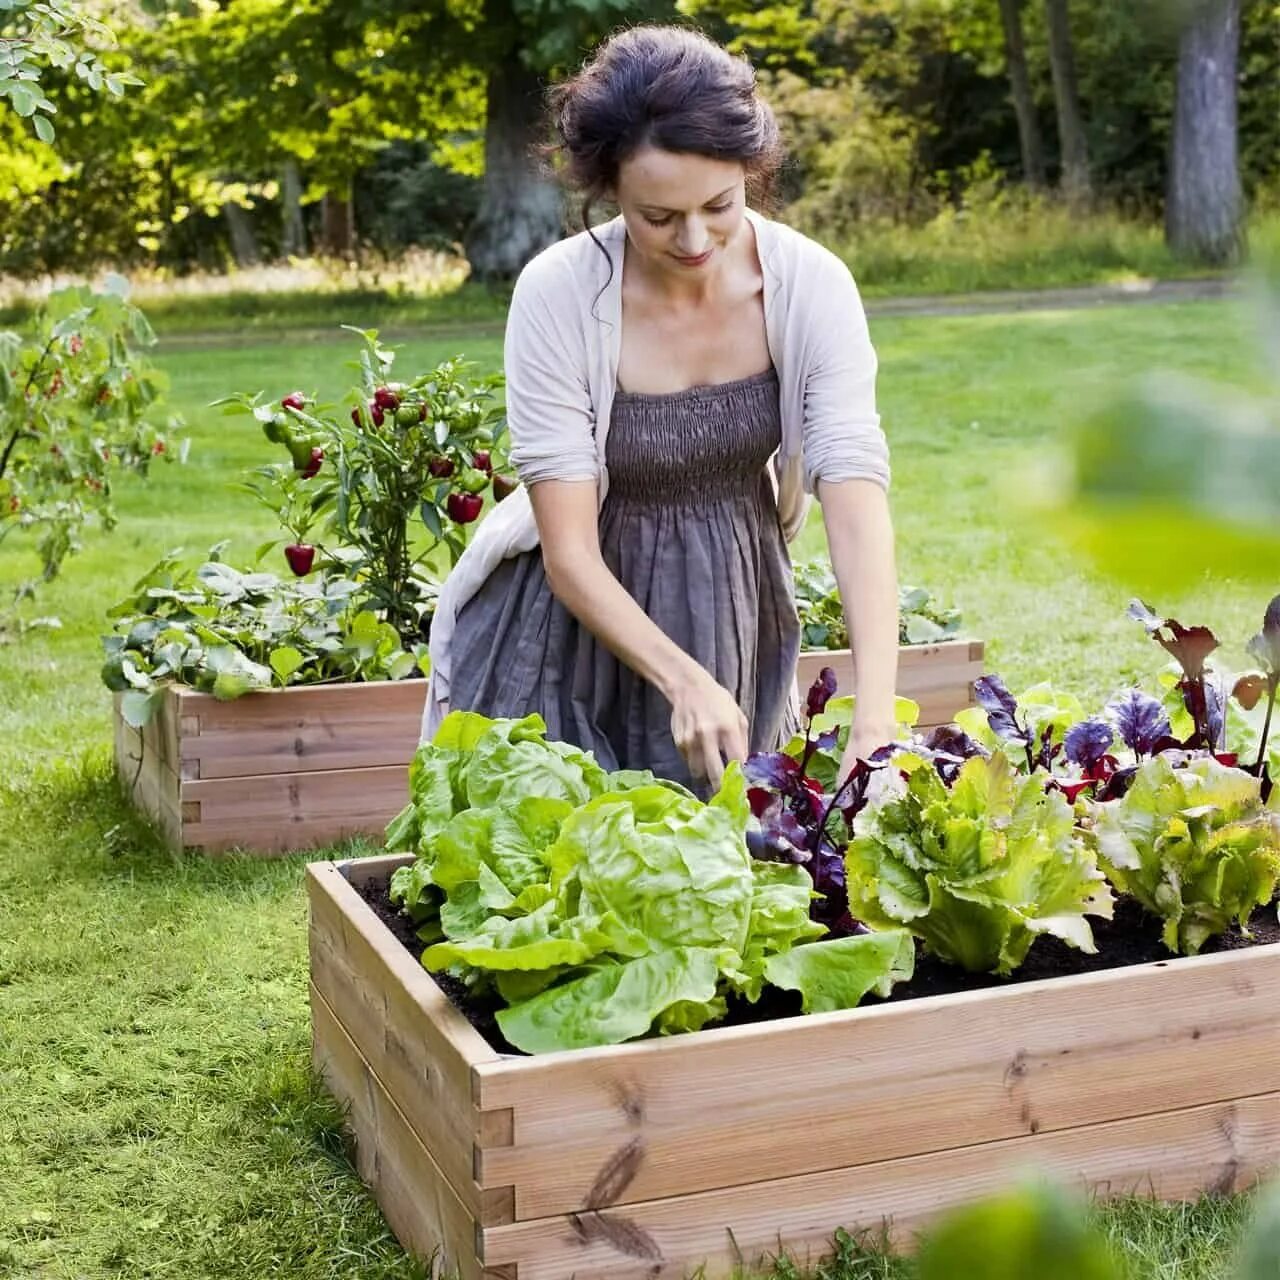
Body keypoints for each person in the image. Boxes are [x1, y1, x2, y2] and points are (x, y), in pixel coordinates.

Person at [423, 24, 899, 794]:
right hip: (568, 627)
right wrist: (683, 681)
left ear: (752, 170)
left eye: (720, 205)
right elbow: (568, 551)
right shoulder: (557, 294)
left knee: (721, 873)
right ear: (610, 190)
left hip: (733, 603)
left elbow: (854, 494)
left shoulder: (811, 285)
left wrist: (876, 722)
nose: (695, 238)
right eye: (658, 217)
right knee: (554, 871)